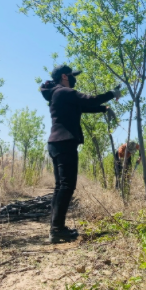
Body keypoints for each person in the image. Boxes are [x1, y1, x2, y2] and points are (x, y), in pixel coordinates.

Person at [41, 64, 121, 243]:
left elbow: (83, 107)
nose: (74, 78)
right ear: (64, 76)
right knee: (67, 186)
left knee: (60, 186)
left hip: (56, 143)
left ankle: (56, 228)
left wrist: (104, 108)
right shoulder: (63, 92)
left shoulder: (57, 94)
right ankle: (56, 229)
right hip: (64, 143)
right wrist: (111, 93)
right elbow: (90, 100)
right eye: (71, 75)